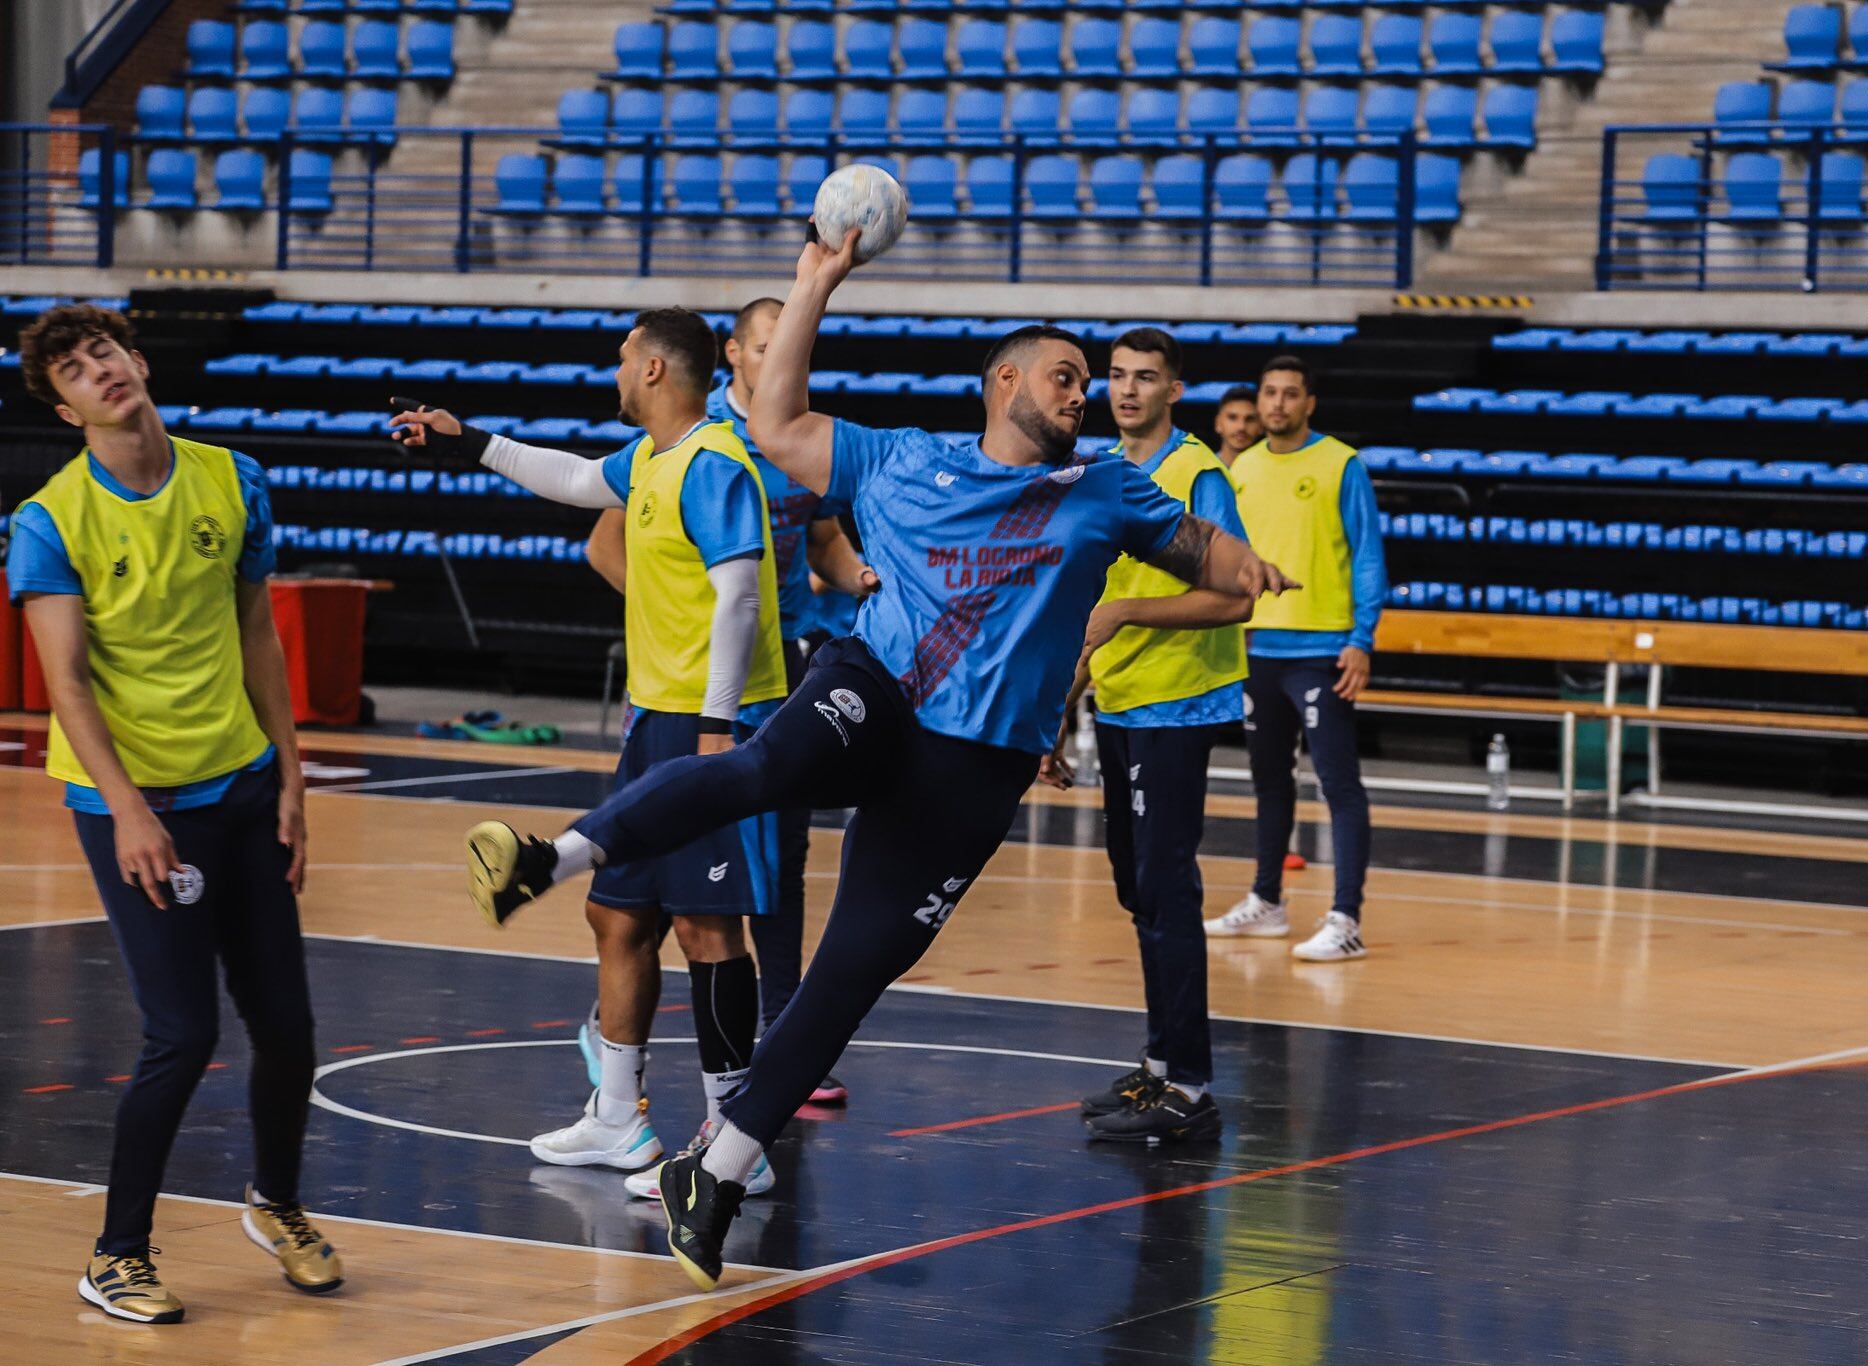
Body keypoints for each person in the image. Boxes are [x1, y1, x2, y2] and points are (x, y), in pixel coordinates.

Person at [460, 229, 1296, 1291]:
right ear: (1001, 382)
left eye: (1089, 380)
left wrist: (1242, 561)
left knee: (854, 971)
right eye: (1063, 374)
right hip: (879, 693)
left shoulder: (1105, 490)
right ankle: (551, 857)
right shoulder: (903, 456)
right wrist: (815, 281)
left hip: (976, 765)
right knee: (765, 768)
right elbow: (773, 419)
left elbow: (1206, 562)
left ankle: (714, 1172)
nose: (1081, 392)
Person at [390, 307, 785, 1199]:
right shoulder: (651, 460)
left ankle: (736, 1145)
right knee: (617, 917)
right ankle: (616, 1118)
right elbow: (570, 477)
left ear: (652, 370)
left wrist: (718, 732)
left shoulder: (715, 461)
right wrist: (468, 440)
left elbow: (740, 601)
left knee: (710, 929)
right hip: (658, 720)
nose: (614, 374)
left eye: (621, 361)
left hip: (708, 722)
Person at [8, 304, 340, 1324]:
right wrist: (128, 814)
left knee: (287, 1028)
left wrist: (290, 777)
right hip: (138, 804)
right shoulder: (51, 520)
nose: (97, 368)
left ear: (138, 361)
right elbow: (63, 683)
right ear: (64, 408)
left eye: (104, 349)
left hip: (240, 785)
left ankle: (277, 1202)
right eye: (73, 367)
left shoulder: (230, 478)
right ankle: (116, 1254)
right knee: (180, 1032)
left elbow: (257, 635)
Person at [578, 299, 879, 1113]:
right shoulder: (688, 436)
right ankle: (683, 1088)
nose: (787, 355)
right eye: (769, 343)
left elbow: (823, 540)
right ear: (735, 357)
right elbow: (604, 540)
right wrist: (681, 626)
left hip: (786, 675)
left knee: (774, 867)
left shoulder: (801, 440)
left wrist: (864, 578)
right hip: (704, 691)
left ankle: (776, 1041)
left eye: (796, 343)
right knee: (686, 902)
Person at [1042, 327, 1248, 1145]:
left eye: (1145, 378)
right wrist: (1060, 708)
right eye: (1116, 377)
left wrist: (1128, 612)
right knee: (1139, 894)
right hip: (1120, 706)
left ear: (1175, 391)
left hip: (1178, 707)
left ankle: (1190, 1087)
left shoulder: (1199, 475)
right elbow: (1094, 606)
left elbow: (1236, 598)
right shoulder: (1104, 475)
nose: (1126, 391)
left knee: (1168, 893)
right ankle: (1161, 1067)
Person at [1204, 356, 1386, 962]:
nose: (1277, 404)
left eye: (1290, 394)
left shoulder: (1341, 463)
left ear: (1310, 403)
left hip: (1323, 650)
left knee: (1338, 783)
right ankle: (1267, 900)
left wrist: (1361, 638)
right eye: (1269, 393)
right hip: (1259, 648)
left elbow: (1367, 556)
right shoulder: (1242, 467)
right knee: (1267, 781)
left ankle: (1347, 919)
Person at [1211, 385, 1264, 469]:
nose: (1241, 427)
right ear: (1218, 423)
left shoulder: (1271, 471)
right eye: (1232, 417)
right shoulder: (1201, 469)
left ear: (1261, 426)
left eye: (1250, 419)